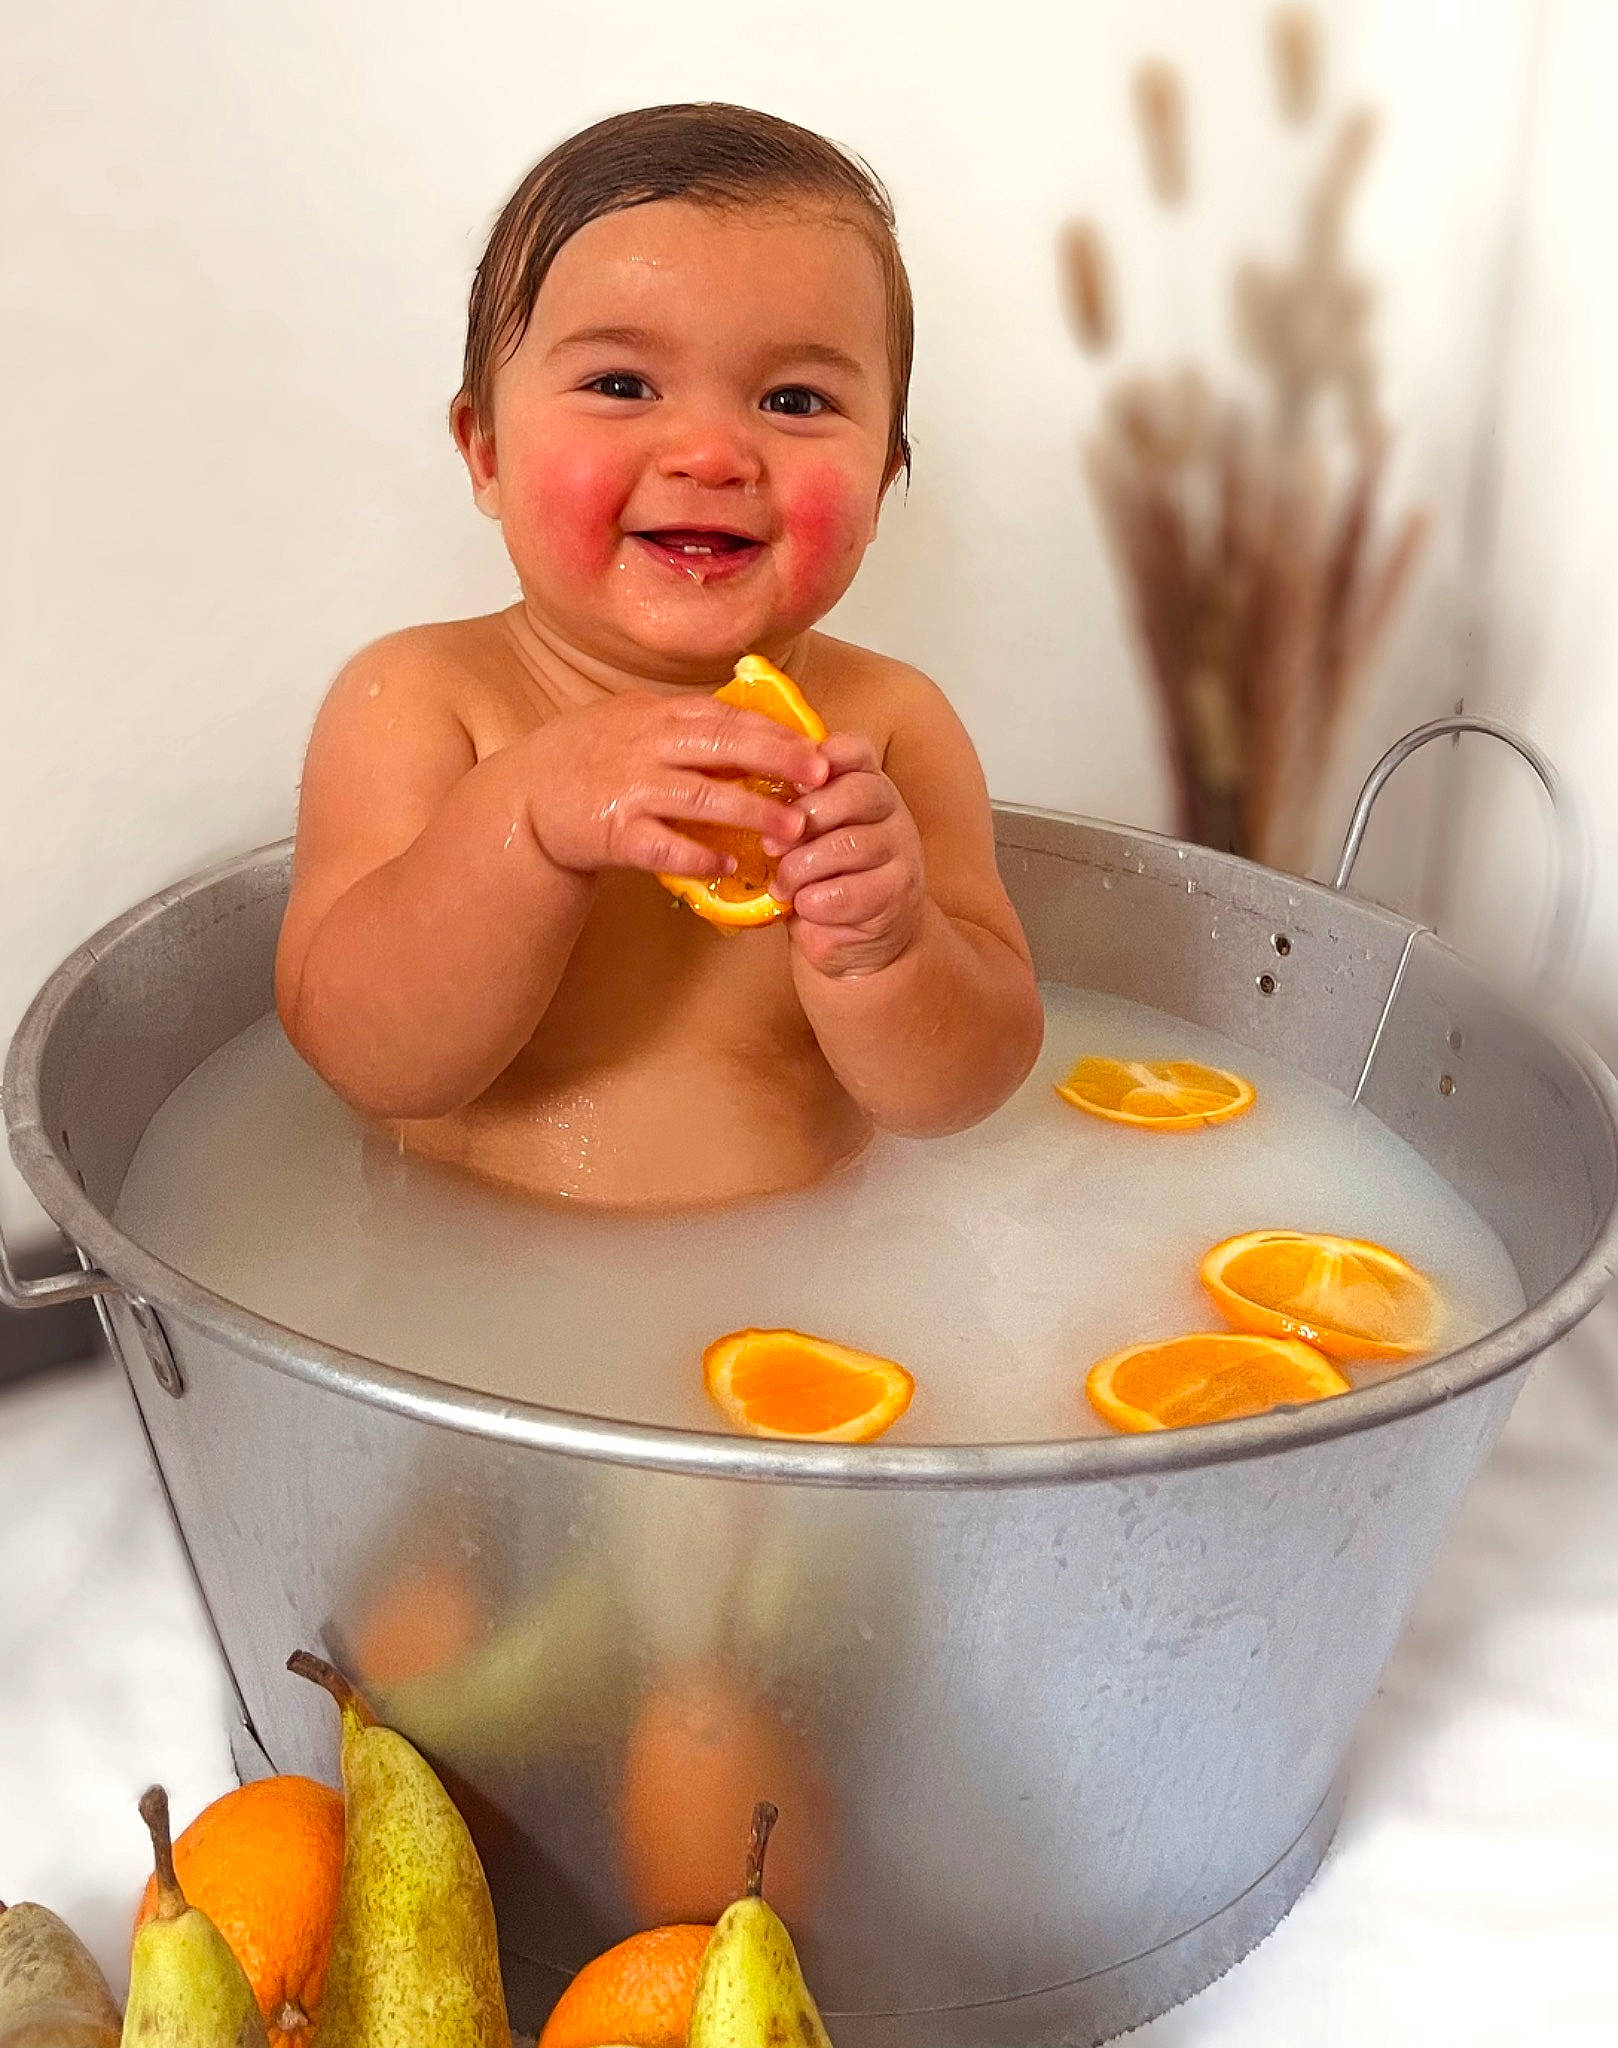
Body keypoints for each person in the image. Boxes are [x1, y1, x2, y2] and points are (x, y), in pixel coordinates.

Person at [275, 103, 1043, 1210]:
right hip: (468, 1277)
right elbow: (363, 1055)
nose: (713, 454)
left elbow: (962, 1092)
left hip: (804, 1285)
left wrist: (889, 950)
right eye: (623, 384)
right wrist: (525, 820)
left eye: (794, 400)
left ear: (880, 484)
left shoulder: (889, 726)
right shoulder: (421, 701)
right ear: (486, 452)